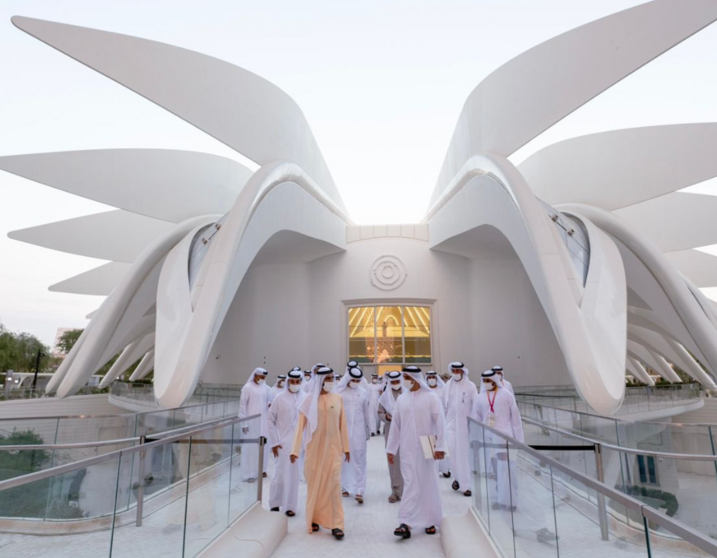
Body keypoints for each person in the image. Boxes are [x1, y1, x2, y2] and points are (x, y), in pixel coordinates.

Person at [386, 365, 447, 539]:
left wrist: (441, 447)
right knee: (411, 482)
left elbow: (440, 422)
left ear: (414, 378)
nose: (404, 380)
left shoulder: (431, 397)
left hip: (428, 448)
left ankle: (430, 520)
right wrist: (391, 449)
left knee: (428, 482)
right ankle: (405, 521)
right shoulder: (402, 399)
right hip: (406, 449)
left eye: (406, 377)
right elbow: (396, 426)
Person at [291, 366, 350, 540]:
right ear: (320, 380)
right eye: (328, 378)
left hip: (333, 450)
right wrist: (295, 450)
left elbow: (343, 425)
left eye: (333, 378)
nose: (331, 381)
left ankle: (336, 524)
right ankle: (315, 519)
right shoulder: (308, 401)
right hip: (313, 451)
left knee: (333, 485)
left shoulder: (338, 398)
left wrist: (346, 448)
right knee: (315, 485)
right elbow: (299, 427)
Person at [471, 369, 524, 511]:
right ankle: (501, 499)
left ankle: (512, 501)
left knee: (509, 470)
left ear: (495, 380)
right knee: (496, 471)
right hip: (489, 439)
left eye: (489, 380)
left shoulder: (506, 395)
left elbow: (515, 418)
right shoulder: (480, 397)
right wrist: (475, 438)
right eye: (485, 381)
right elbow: (476, 418)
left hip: (507, 438)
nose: (487, 383)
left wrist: (519, 440)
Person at [268, 370, 306, 517]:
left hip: (299, 445)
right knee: (279, 474)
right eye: (292, 382)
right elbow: (270, 420)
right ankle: (275, 503)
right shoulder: (279, 398)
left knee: (294, 476)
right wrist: (274, 442)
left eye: (298, 382)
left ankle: (290, 506)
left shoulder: (305, 397)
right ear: (288, 382)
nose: (295, 384)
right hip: (282, 443)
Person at [337, 366, 370, 504]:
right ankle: (345, 487)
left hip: (359, 432)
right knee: (343, 459)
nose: (356, 382)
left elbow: (366, 413)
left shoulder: (363, 392)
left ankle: (359, 490)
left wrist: (369, 430)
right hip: (341, 431)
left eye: (358, 380)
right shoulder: (339, 393)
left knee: (360, 459)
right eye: (353, 379)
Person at [444, 361, 477, 496]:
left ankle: (466, 485)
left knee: (463, 455)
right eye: (454, 371)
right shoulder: (447, 386)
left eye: (458, 371)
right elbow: (443, 405)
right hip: (450, 424)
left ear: (463, 371)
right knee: (451, 452)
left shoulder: (471, 386)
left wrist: (473, 425)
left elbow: (475, 406)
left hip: (464, 425)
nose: (456, 373)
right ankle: (457, 478)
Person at [238, 367, 271, 481]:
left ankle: (261, 470)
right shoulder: (247, 388)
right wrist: (244, 424)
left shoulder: (266, 388)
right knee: (250, 448)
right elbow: (242, 407)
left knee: (263, 447)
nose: (263, 379)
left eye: (264, 377)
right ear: (256, 376)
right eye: (261, 377)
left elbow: (269, 402)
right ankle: (248, 474)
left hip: (263, 424)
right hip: (250, 424)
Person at [378, 370, 404, 503]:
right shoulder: (384, 396)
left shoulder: (407, 393)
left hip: (406, 430)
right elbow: (380, 412)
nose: (395, 384)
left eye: (397, 381)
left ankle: (407, 491)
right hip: (390, 430)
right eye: (392, 382)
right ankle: (395, 490)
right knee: (393, 459)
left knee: (407, 460)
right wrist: (387, 417)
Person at [427, 371, 452, 479]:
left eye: (433, 377)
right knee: (429, 445)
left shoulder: (442, 390)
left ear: (437, 378)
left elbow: (447, 405)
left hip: (441, 421)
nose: (431, 379)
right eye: (429, 377)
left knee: (442, 444)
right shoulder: (424, 391)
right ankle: (432, 470)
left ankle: (445, 469)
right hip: (428, 422)